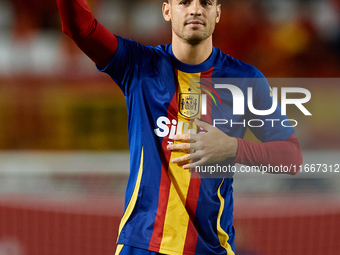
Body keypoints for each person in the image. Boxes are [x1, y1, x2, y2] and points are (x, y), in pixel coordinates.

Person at [57, 0, 303, 254]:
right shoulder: (137, 65)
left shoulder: (245, 80)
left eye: (205, 3)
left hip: (209, 248)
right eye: (184, 2)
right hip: (142, 245)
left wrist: (232, 147)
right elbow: (80, 27)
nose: (195, 9)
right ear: (167, 10)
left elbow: (292, 157)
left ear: (217, 13)